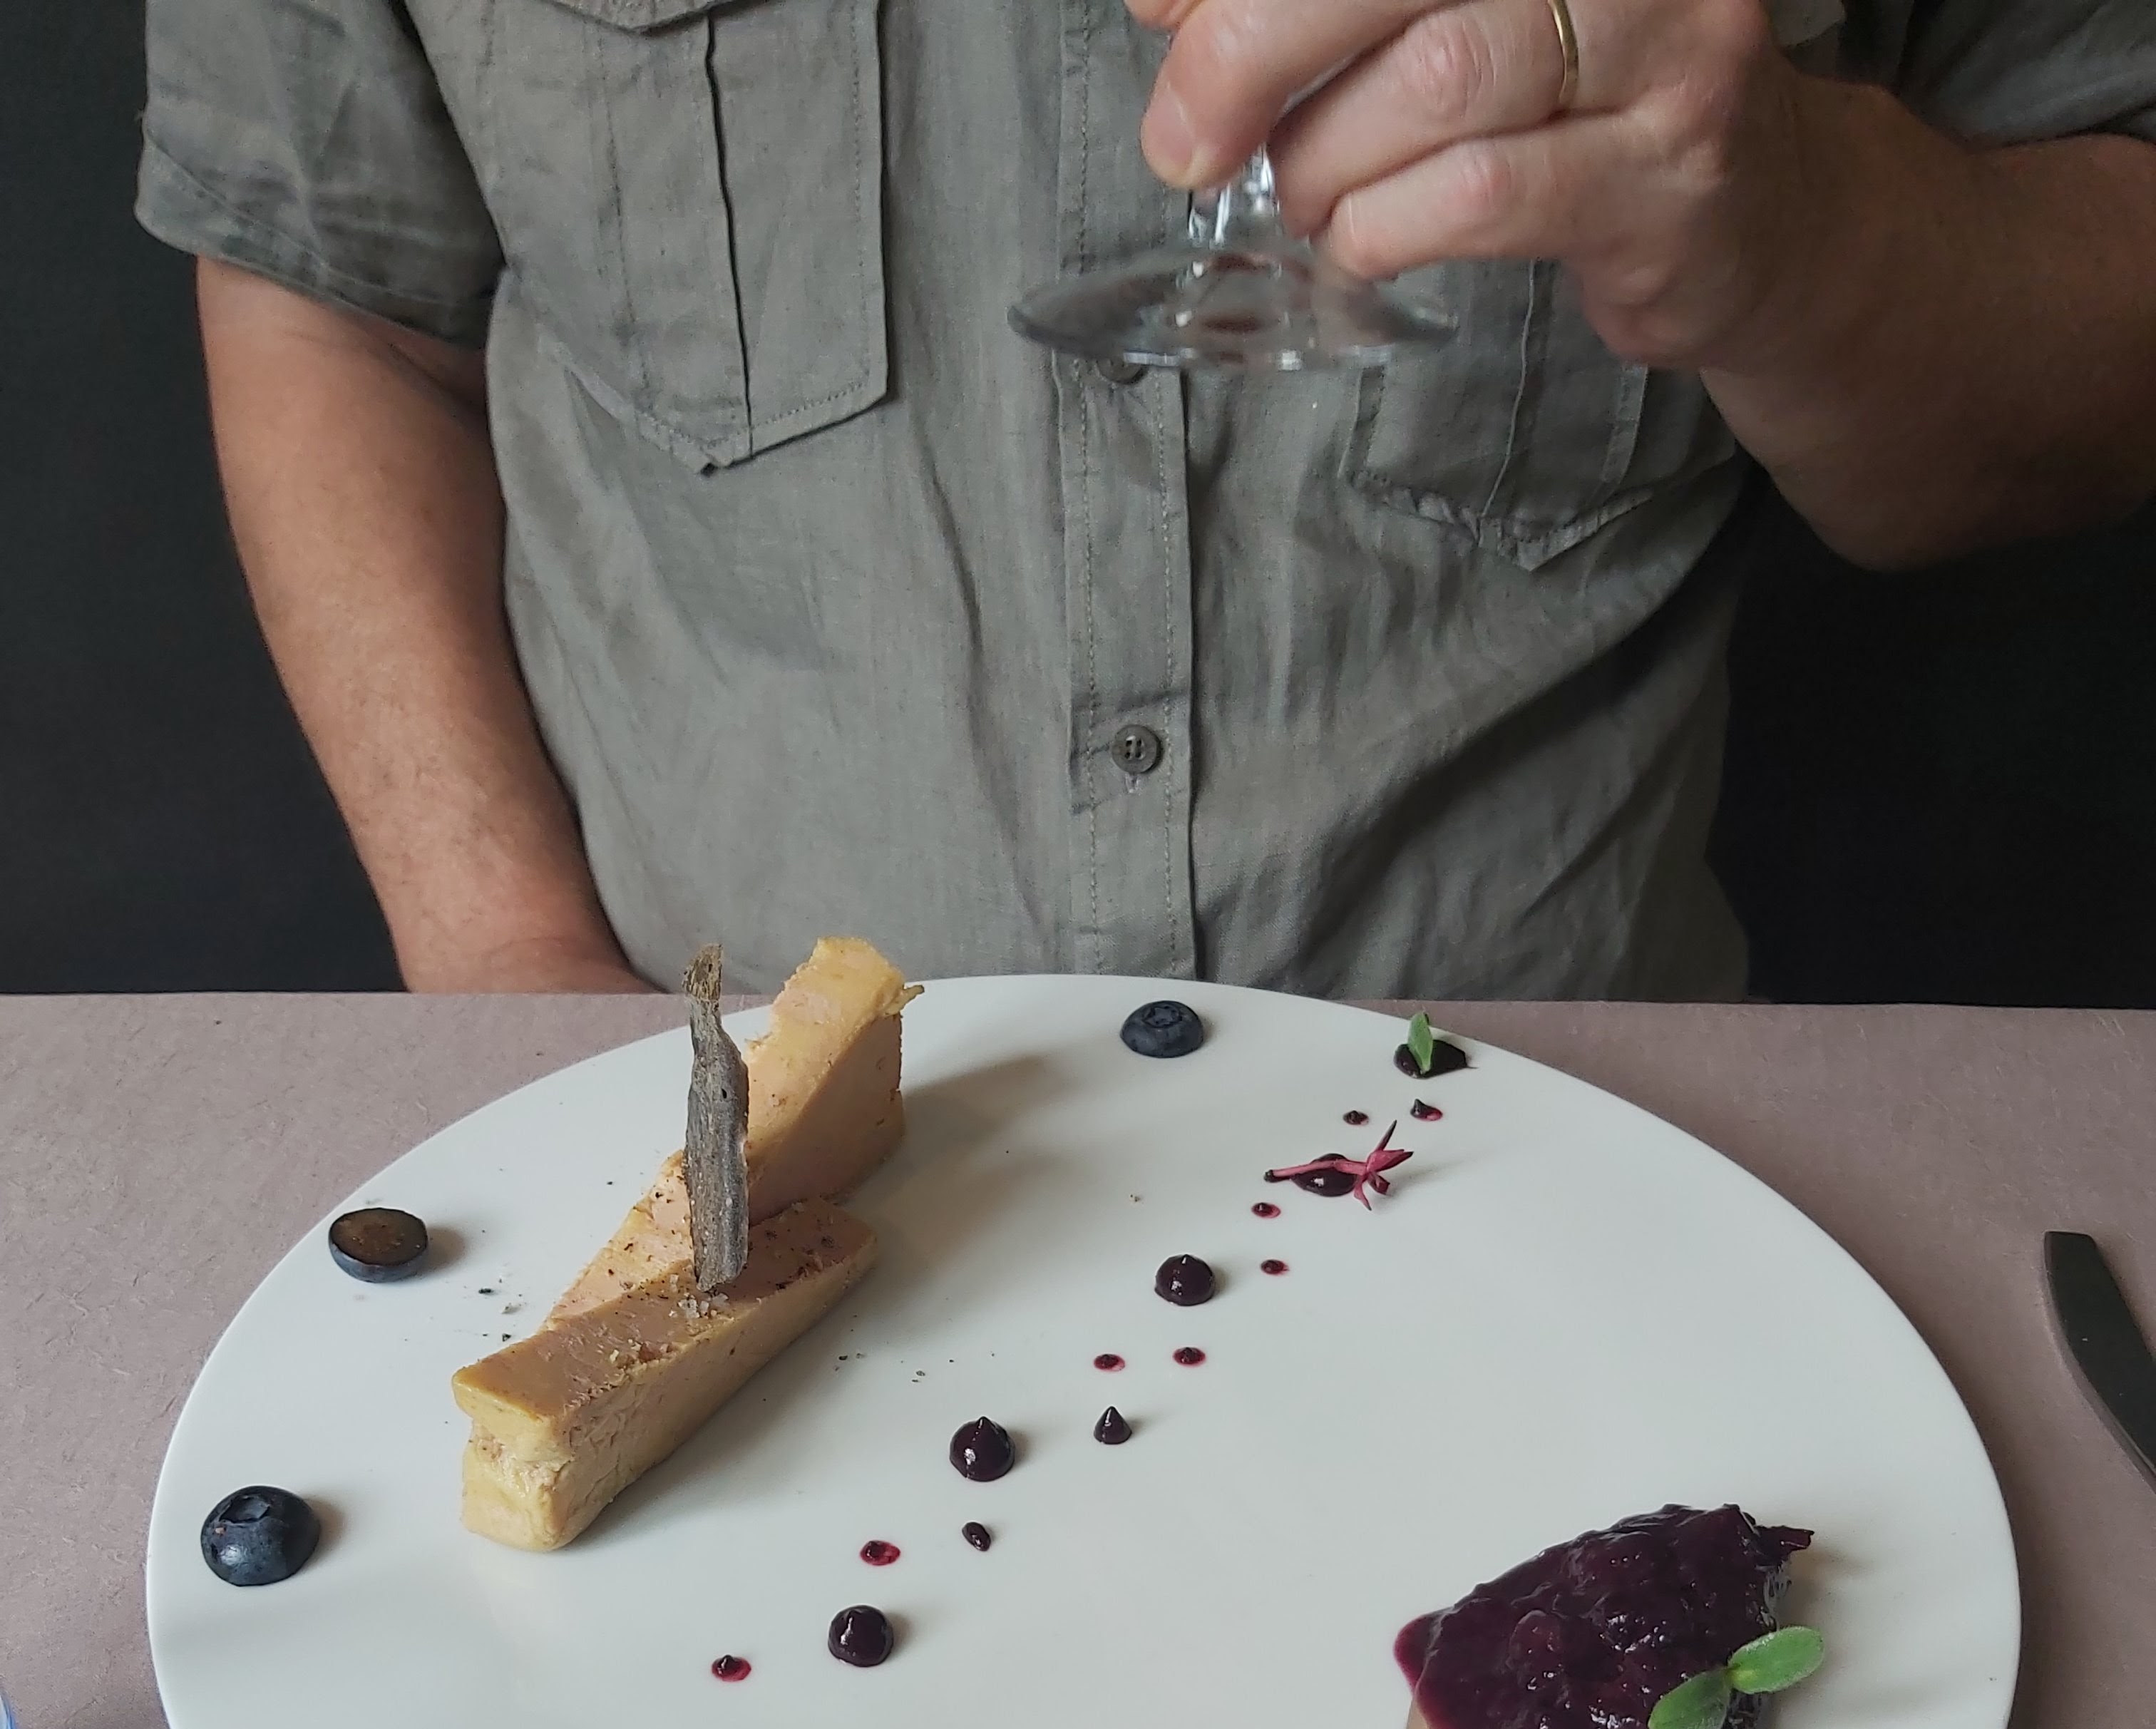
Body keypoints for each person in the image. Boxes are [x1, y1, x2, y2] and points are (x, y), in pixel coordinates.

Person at [139, 0, 2156, 1003]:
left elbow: (2097, 344)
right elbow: (339, 295)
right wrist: (505, 970)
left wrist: (1804, 221)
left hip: (1564, 1178)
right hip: (722, 1132)